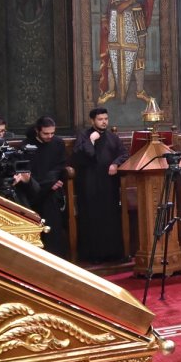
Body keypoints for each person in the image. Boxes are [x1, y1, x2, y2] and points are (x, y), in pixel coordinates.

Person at [98, 0, 156, 104]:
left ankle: (139, 90)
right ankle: (110, 90)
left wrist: (129, 2)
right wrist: (104, 18)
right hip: (115, 16)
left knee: (138, 53)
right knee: (114, 51)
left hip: (135, 15)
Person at [71, 107, 128, 264]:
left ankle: (113, 254)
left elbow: (124, 154)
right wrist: (91, 140)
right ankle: (93, 256)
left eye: (106, 119)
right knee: (92, 218)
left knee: (110, 218)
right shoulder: (84, 135)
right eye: (100, 119)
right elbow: (80, 156)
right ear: (92, 120)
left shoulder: (112, 137)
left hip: (109, 185)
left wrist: (116, 164)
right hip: (90, 185)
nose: (104, 122)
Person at [25, 116, 69, 257]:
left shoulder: (58, 143)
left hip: (53, 189)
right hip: (35, 191)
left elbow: (60, 165)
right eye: (46, 133)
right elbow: (27, 171)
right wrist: (46, 183)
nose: (50, 136)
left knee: (54, 225)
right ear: (38, 131)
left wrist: (52, 181)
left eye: (52, 133)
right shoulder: (27, 145)